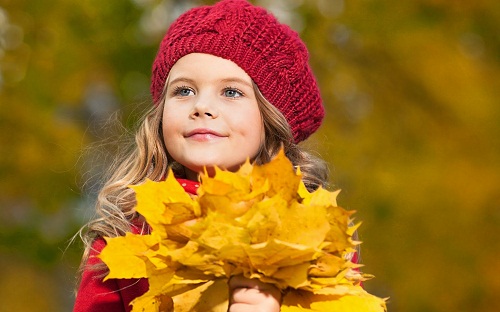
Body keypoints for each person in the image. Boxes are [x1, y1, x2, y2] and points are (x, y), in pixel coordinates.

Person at [74, 0, 333, 311]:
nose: (201, 106)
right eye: (184, 90)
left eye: (231, 92)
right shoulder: (125, 237)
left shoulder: (312, 235)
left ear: (271, 121)